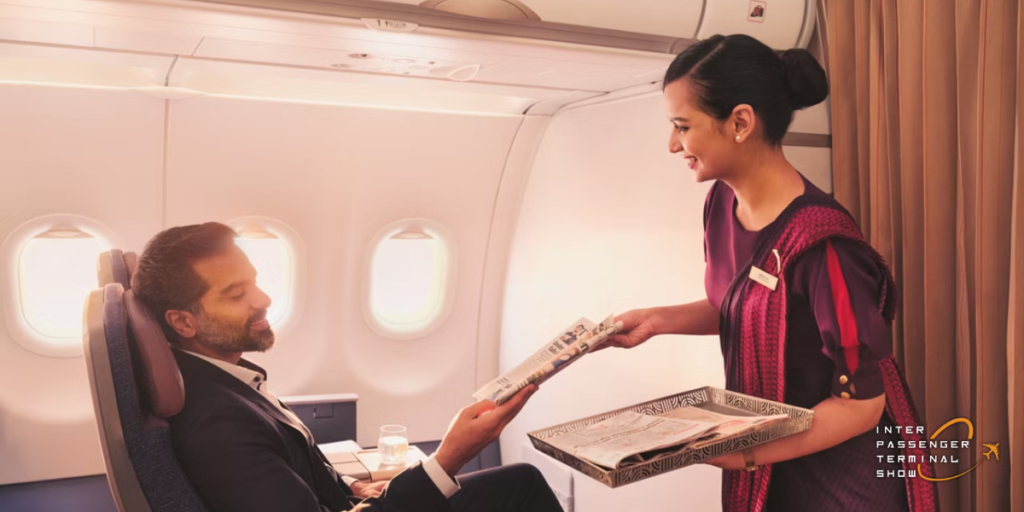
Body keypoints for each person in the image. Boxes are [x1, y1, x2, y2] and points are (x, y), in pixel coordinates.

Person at [594, 35, 938, 511]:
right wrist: (657, 320)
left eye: (682, 126)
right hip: (770, 448)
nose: (673, 145)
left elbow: (862, 404)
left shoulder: (826, 245)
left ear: (740, 123)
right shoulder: (721, 203)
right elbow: (743, 307)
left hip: (840, 474)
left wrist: (743, 453)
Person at [132, 222, 563, 512]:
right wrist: (448, 458)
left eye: (256, 281)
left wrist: (352, 487)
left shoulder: (225, 376)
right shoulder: (217, 424)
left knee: (519, 481)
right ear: (182, 321)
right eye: (235, 293)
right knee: (518, 491)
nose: (262, 299)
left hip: (349, 501)